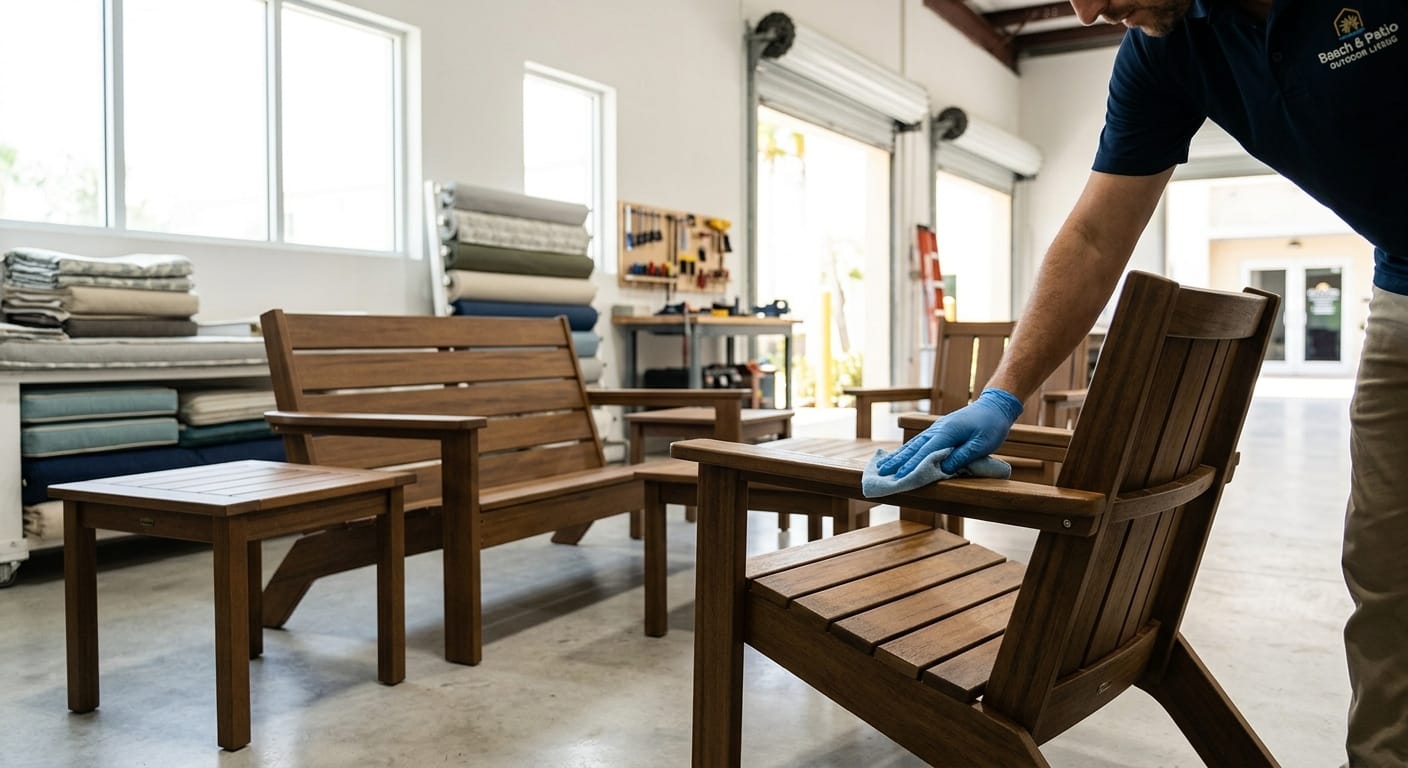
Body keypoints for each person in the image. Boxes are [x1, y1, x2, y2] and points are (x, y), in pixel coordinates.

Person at [876, 0, 1406, 763]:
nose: (1089, 10)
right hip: (1405, 291)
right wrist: (1002, 393)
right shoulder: (1164, 48)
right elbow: (1095, 236)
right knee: (1392, 583)